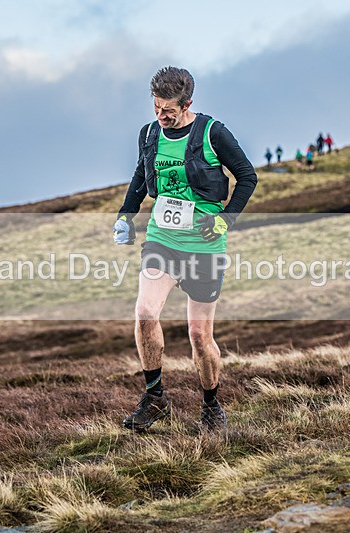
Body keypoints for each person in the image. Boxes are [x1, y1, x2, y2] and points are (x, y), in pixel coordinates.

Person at [113, 66, 258, 434]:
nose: (161, 117)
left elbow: (247, 176)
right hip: (163, 238)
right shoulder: (148, 134)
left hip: (205, 244)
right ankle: (154, 397)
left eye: (169, 111)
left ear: (188, 103)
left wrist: (226, 219)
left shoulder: (212, 132)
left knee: (199, 336)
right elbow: (138, 177)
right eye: (156, 108)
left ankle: (211, 405)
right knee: (145, 313)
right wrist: (125, 217)